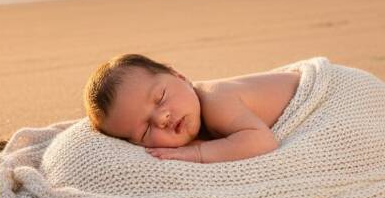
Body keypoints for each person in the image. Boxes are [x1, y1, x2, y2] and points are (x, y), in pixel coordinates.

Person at [83, 54, 300, 163]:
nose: (161, 118)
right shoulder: (195, 118)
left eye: (160, 98)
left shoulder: (217, 100)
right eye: (145, 131)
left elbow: (263, 141)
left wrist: (198, 153)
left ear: (180, 77)